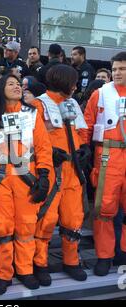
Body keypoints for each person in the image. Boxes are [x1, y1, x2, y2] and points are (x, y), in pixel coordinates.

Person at [0, 74, 52, 294]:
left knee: (26, 226)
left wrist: (44, 175)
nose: (17, 86)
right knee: (1, 227)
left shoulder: (32, 114)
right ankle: (3, 273)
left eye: (19, 84)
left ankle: (25, 270)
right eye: (11, 84)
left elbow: (43, 147)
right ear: (0, 89)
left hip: (26, 177)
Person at [32, 64, 89, 286]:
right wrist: (49, 153)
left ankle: (71, 261)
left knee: (73, 218)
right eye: (73, 82)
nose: (76, 86)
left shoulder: (72, 103)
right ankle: (40, 263)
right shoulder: (38, 105)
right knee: (46, 218)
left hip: (73, 170)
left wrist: (84, 148)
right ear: (63, 82)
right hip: (52, 171)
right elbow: (31, 137)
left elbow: (81, 131)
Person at [79, 51, 126, 276]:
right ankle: (104, 256)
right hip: (108, 156)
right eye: (115, 68)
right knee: (104, 209)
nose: (117, 72)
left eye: (122, 69)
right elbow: (87, 123)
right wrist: (84, 147)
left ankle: (124, 252)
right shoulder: (100, 94)